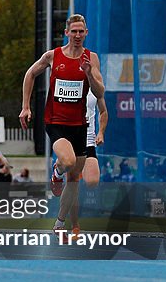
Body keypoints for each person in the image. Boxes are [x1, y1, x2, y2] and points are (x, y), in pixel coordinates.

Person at [20, 14, 105, 240]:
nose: (77, 35)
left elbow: (100, 93)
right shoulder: (53, 56)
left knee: (75, 179)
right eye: (73, 31)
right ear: (66, 33)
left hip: (80, 125)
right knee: (67, 162)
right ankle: (56, 172)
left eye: (81, 31)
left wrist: (88, 73)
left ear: (86, 33)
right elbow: (30, 74)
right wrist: (25, 106)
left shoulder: (91, 58)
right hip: (56, 122)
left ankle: (59, 224)